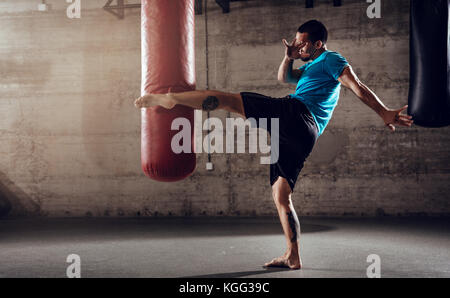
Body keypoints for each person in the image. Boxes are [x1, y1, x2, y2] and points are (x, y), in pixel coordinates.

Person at [134, 20, 414, 270]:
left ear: (317, 44)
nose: (298, 46)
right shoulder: (309, 68)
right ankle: (293, 256)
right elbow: (284, 78)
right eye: (296, 42)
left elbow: (356, 85)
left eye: (302, 43)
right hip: (304, 133)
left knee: (231, 101)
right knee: (281, 195)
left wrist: (383, 112)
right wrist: (289, 57)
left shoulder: (331, 59)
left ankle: (172, 99)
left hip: (296, 114)